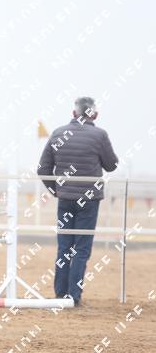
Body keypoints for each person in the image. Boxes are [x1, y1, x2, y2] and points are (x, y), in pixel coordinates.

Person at [37, 96, 118, 307]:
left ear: (74, 113)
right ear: (95, 115)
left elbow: (43, 168)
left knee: (64, 247)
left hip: (65, 199)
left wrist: (56, 190)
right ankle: (74, 297)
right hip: (89, 201)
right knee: (81, 249)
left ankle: (60, 294)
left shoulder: (58, 133)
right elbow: (111, 165)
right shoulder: (100, 135)